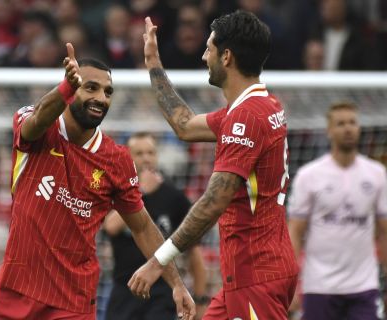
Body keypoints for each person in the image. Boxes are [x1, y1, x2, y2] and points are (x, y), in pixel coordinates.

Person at [0, 43, 195, 320]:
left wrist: (177, 284)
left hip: (72, 303)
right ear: (70, 88)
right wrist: (65, 88)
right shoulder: (39, 127)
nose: (101, 97)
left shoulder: (117, 160)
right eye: (91, 88)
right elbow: (35, 122)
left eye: (108, 91)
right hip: (16, 291)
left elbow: (143, 226)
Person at [128, 10, 299, 320]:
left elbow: (212, 202)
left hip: (256, 275)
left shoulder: (245, 118)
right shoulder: (258, 106)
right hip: (251, 271)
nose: (204, 56)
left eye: (209, 48)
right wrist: (154, 64)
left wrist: (157, 262)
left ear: (227, 56)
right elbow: (185, 126)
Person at [288, 102, 387, 320]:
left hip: (363, 286)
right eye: (341, 123)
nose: (348, 128)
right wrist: (291, 286)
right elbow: (295, 232)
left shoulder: (377, 174)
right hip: (319, 285)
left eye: (352, 122)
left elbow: (384, 232)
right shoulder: (309, 175)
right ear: (329, 131)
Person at [104, 132, 208, 320]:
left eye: (151, 153)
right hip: (124, 290)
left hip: (161, 293)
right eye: (139, 153)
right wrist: (140, 191)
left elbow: (194, 254)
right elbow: (110, 227)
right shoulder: (115, 192)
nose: (146, 158)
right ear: (127, 157)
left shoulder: (175, 198)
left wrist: (200, 299)